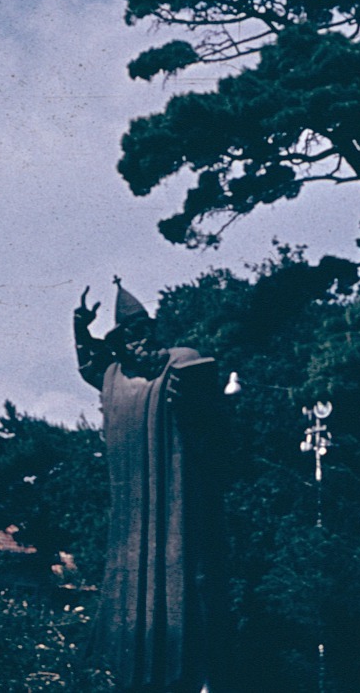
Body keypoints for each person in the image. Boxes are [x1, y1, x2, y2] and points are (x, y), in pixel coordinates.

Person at [75, 280, 222, 693]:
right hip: (130, 513)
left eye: (145, 330)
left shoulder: (178, 362)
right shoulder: (113, 377)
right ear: (119, 344)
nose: (141, 339)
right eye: (130, 335)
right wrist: (79, 330)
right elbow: (89, 365)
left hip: (174, 499)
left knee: (180, 583)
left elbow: (200, 385)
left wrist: (189, 392)